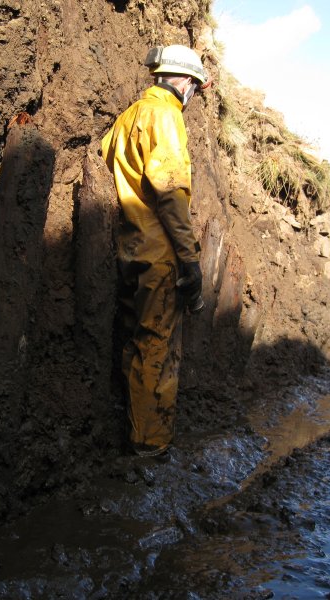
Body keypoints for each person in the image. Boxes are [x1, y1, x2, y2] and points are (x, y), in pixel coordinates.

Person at [100, 45, 210, 457]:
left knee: (135, 342)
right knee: (157, 349)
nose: (193, 96)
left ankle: (135, 431)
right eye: (195, 88)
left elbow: (107, 159)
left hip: (130, 247)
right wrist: (190, 258)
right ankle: (150, 442)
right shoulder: (166, 116)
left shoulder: (128, 116)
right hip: (160, 252)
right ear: (183, 81)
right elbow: (170, 193)